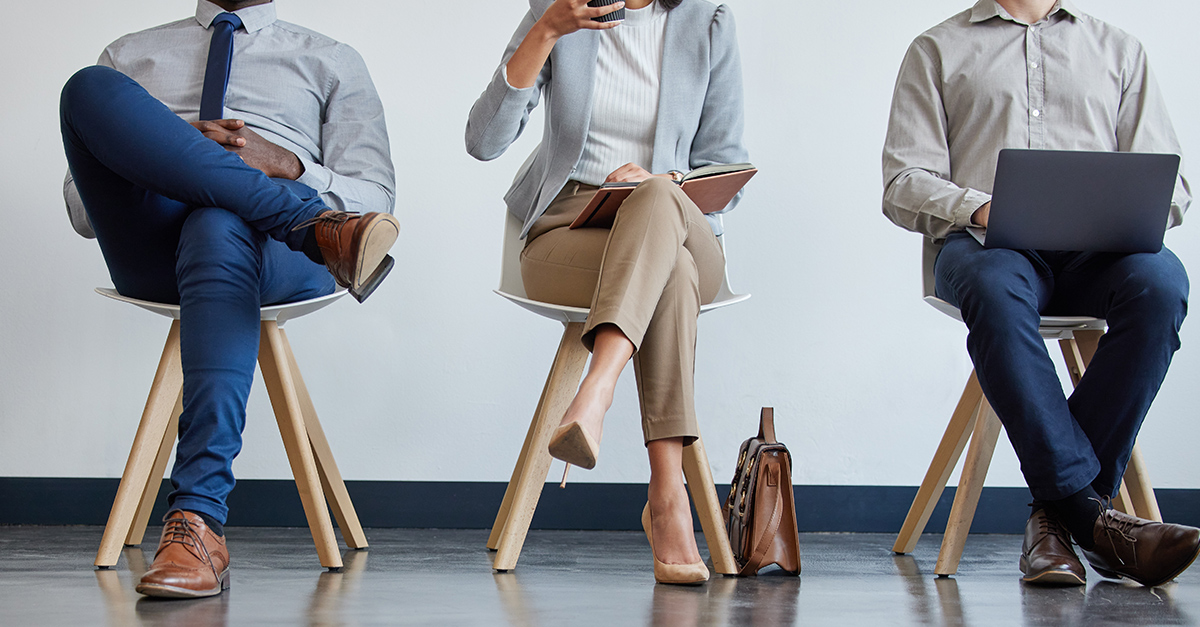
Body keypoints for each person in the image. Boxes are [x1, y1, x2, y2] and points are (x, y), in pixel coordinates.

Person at [60, 0, 397, 598]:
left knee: (220, 222)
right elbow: (87, 212)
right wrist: (173, 154)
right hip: (157, 247)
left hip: (275, 259)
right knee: (87, 89)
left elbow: (375, 200)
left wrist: (286, 164)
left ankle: (196, 522)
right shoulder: (130, 53)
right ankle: (306, 224)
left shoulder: (330, 60)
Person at [883, 0, 1198, 587]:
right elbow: (903, 182)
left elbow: (1173, 185)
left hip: (1099, 255)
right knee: (995, 290)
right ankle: (1092, 519)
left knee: (1161, 285)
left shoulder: (1120, 50)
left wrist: (1116, 209)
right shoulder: (937, 48)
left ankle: (1057, 518)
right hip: (987, 246)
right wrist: (980, 206)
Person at [466, 0, 747, 585]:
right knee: (668, 275)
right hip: (569, 228)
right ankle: (667, 497)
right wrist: (547, 29)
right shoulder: (556, 12)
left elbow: (725, 165)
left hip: (685, 220)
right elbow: (483, 141)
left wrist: (659, 185)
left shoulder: (709, 18)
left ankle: (595, 391)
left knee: (658, 204)